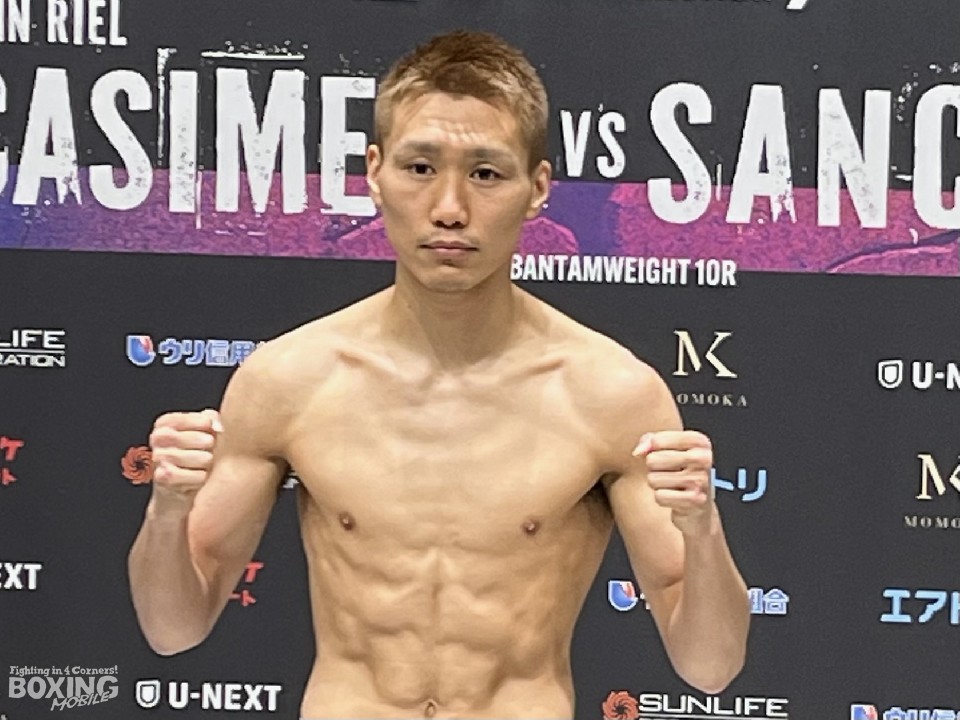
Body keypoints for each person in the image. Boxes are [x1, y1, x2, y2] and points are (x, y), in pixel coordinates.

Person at [127, 29, 749, 720]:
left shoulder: (609, 393)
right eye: (420, 167)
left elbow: (711, 666)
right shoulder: (291, 378)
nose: (449, 208)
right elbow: (173, 628)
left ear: (537, 188)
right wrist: (167, 512)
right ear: (375, 172)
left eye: (486, 174)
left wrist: (702, 530)